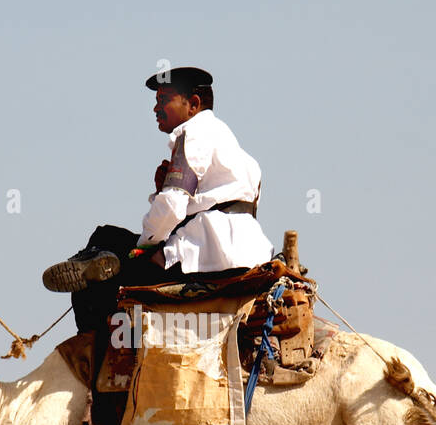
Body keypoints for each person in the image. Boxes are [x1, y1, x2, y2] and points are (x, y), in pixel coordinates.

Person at [43, 67, 274, 332]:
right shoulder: (239, 154)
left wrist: (144, 248)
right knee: (113, 252)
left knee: (106, 240)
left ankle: (91, 349)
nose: (155, 109)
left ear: (194, 105)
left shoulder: (193, 133)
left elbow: (171, 207)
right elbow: (217, 206)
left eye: (164, 100)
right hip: (251, 256)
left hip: (207, 259)